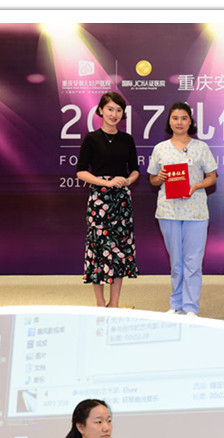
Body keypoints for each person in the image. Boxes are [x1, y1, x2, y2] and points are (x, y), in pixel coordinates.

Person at [147, 102, 218, 316]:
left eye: (184, 118)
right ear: (169, 121)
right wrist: (159, 178)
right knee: (176, 262)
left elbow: (212, 177)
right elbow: (152, 179)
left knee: (193, 262)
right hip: (168, 212)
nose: (180, 122)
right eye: (175, 118)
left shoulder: (201, 147)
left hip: (196, 212)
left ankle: (190, 307)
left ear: (190, 121)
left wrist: (195, 186)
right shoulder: (160, 148)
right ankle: (176, 304)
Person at [76, 91, 139, 307]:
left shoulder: (127, 139)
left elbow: (135, 170)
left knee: (119, 249)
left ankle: (114, 303)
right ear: (101, 110)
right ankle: (100, 302)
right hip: (99, 200)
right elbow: (81, 172)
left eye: (118, 110)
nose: (114, 114)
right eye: (110, 109)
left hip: (122, 199)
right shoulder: (91, 138)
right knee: (98, 248)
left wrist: (127, 181)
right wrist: (106, 182)